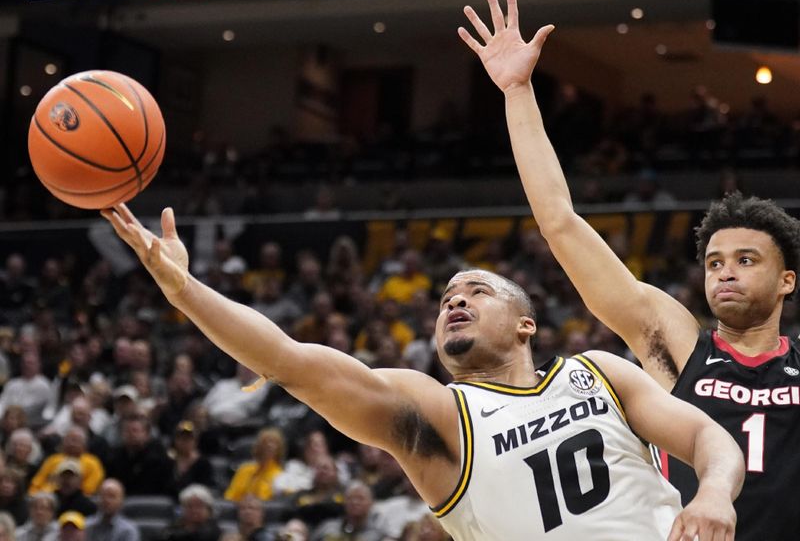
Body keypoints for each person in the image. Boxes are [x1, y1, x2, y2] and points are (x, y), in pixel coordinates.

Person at [101, 187, 742, 537]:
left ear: (527, 323)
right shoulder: (438, 412)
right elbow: (290, 362)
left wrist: (713, 492)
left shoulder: (600, 371)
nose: (454, 300)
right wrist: (187, 291)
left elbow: (708, 435)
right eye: (445, 299)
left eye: (475, 291)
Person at [458, 0, 800, 541]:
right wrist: (517, 91)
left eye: (745, 259)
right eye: (714, 262)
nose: (725, 272)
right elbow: (560, 223)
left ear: (787, 280)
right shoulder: (678, 344)